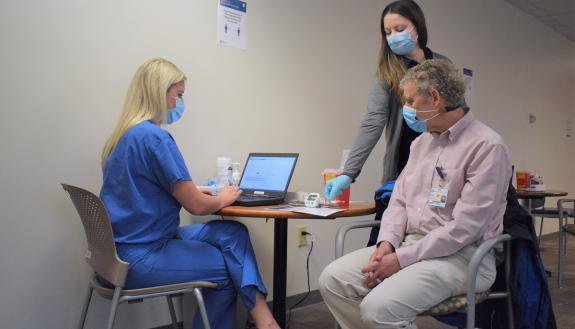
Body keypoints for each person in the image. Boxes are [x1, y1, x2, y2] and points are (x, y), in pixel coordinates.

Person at [318, 59, 512, 329]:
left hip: (462, 257)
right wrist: (386, 244)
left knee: (378, 308)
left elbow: (465, 228)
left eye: (410, 101)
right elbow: (398, 202)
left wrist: (399, 260)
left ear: (435, 98)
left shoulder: (487, 147)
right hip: (408, 246)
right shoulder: (421, 144)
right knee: (333, 279)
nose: (405, 109)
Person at [100, 58, 280, 329]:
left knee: (233, 233)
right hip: (140, 256)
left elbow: (143, 188)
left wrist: (200, 190)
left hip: (118, 252)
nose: (180, 102)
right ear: (159, 92)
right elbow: (196, 206)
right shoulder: (155, 138)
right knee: (227, 269)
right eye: (179, 94)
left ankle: (264, 320)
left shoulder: (123, 137)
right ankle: (266, 322)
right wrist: (223, 197)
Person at [324, 0, 450, 243]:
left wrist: (431, 123)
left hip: (441, 165)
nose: (393, 37)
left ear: (417, 27)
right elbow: (373, 120)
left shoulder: (443, 67)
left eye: (399, 29)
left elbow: (457, 114)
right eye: (388, 32)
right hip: (402, 165)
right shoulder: (387, 71)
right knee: (382, 243)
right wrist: (348, 173)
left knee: (428, 240)